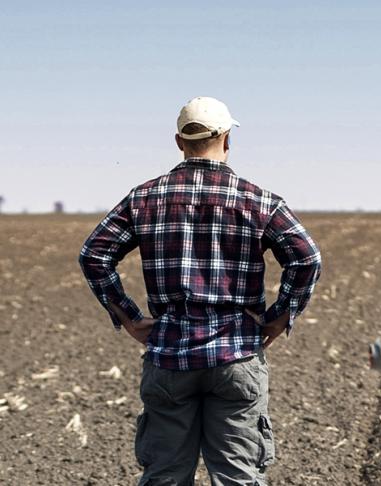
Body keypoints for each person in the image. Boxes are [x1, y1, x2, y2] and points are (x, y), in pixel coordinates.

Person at [78, 96, 322, 485]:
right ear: (227, 139)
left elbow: (94, 255)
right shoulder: (260, 201)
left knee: (165, 477)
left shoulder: (143, 198)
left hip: (169, 355)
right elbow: (306, 259)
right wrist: (277, 320)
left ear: (179, 142)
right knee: (238, 476)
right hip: (237, 356)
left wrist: (128, 317)